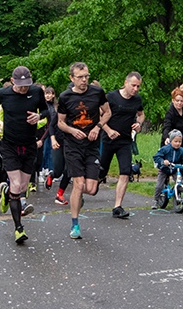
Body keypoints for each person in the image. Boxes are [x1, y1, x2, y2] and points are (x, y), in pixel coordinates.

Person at [0, 66, 48, 244]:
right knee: (16, 184)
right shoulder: (3, 93)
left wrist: (39, 118)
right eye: (20, 85)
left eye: (27, 85)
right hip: (9, 143)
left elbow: (47, 111)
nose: (24, 89)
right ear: (13, 80)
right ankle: (18, 228)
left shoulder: (36, 92)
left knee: (22, 186)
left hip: (29, 144)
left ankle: (5, 192)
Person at [57, 62, 111, 239]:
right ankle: (75, 225)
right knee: (78, 184)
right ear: (71, 78)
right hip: (73, 146)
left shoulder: (97, 92)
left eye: (86, 76)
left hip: (92, 145)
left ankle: (79, 197)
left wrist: (98, 127)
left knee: (90, 188)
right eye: (80, 77)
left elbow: (107, 112)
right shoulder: (65, 97)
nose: (84, 80)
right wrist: (72, 130)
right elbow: (60, 122)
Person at [99, 71, 144, 219]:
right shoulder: (111, 97)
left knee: (125, 172)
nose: (136, 89)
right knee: (100, 174)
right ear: (125, 83)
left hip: (125, 141)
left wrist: (138, 124)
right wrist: (108, 130)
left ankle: (117, 207)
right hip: (108, 139)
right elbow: (99, 115)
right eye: (133, 85)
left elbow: (141, 114)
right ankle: (83, 191)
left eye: (138, 86)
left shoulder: (137, 100)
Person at [161, 88, 183, 184]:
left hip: (182, 140)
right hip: (171, 141)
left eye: (181, 101)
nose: (179, 103)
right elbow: (166, 127)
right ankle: (164, 183)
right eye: (177, 101)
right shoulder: (170, 113)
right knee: (168, 164)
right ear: (173, 101)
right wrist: (167, 138)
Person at [152, 129, 183, 207]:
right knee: (159, 186)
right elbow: (157, 157)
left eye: (179, 142)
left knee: (180, 182)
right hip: (164, 169)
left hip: (175, 169)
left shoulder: (182, 151)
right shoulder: (165, 149)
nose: (178, 144)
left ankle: (178, 196)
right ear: (170, 141)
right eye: (175, 141)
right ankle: (155, 200)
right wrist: (163, 161)